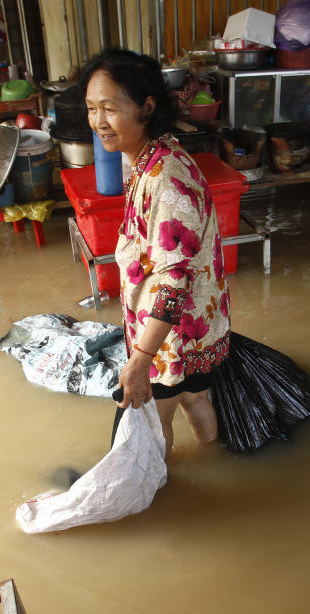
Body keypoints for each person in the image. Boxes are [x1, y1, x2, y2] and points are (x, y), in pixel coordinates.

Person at [81, 49, 230, 458]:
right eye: (92, 108)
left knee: (153, 422)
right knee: (195, 399)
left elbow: (174, 282)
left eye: (109, 109)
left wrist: (140, 360)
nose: (98, 122)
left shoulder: (166, 179)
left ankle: (164, 503)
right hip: (197, 326)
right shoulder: (154, 153)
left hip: (175, 336)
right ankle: (216, 460)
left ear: (147, 106)